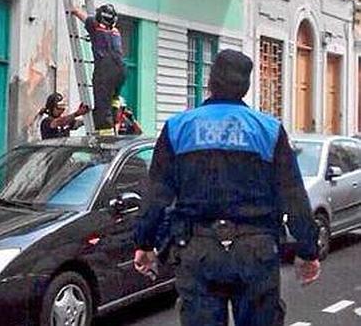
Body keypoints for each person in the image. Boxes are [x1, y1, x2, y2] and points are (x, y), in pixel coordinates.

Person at [133, 49, 320, 326]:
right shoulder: (269, 130)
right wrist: (307, 250)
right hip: (256, 249)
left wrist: (144, 243)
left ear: (210, 81)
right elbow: (293, 196)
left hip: (197, 249)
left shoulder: (178, 128)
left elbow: (156, 194)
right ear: (245, 86)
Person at [72, 4, 126, 135]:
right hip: (121, 71)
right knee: (114, 99)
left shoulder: (95, 27)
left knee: (102, 109)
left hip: (104, 72)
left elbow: (79, 14)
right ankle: (115, 123)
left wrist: (74, 10)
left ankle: (105, 140)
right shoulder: (116, 33)